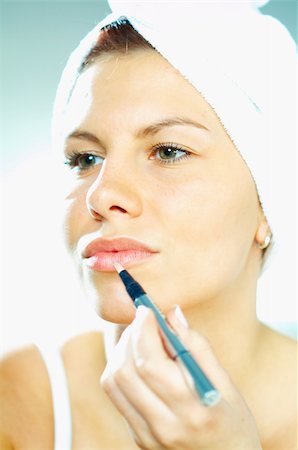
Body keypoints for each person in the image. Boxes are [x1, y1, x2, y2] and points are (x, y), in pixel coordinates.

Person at [1, 2, 297, 449]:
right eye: (85, 159)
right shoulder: (22, 398)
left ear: (268, 204)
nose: (100, 196)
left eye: (169, 151)